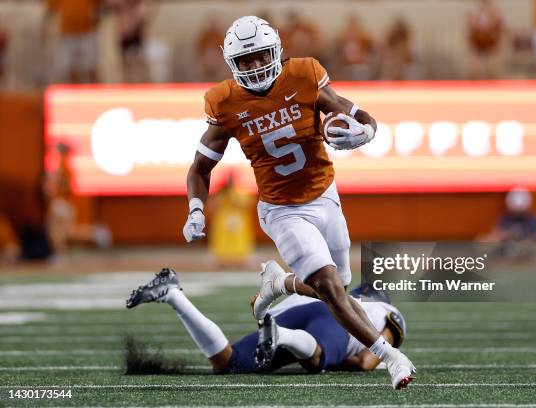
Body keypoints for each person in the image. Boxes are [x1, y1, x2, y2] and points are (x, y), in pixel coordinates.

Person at [182, 16, 416, 389]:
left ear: (275, 51)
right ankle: (393, 359)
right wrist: (195, 208)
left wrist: (367, 130)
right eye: (245, 61)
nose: (255, 66)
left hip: (325, 195)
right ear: (232, 65)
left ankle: (282, 283)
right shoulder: (224, 102)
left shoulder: (304, 75)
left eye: (260, 56)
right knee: (332, 288)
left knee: (339, 287)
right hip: (281, 209)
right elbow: (200, 168)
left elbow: (346, 108)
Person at [126, 269, 408, 375]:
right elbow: (364, 363)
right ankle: (283, 336)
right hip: (332, 316)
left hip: (296, 304)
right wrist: (336, 359)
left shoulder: (342, 291)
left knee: (230, 363)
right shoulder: (387, 313)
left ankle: (174, 294)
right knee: (317, 360)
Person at [44, 0, 101, 83]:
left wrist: (97, 19)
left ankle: (96, 94)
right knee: (71, 70)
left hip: (87, 32)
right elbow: (50, 9)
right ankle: (75, 94)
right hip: (67, 34)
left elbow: (98, 5)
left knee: (91, 68)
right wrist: (44, 27)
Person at [466, 0, 505, 79]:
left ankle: (492, 85)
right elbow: (469, 26)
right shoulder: (473, 12)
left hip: (491, 42)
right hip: (477, 42)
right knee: (474, 69)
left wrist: (493, 26)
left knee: (492, 69)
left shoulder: (495, 11)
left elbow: (500, 25)